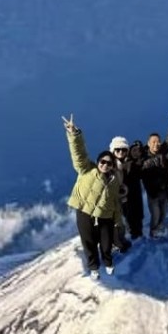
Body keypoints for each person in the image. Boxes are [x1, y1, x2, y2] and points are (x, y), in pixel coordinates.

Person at [63, 114, 123, 279]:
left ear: (112, 166)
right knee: (88, 242)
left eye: (108, 163)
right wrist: (74, 134)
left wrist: (118, 222)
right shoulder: (87, 169)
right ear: (97, 162)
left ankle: (108, 262)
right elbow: (79, 154)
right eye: (102, 162)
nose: (104, 165)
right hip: (84, 211)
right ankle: (93, 266)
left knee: (106, 243)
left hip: (104, 216)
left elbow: (116, 203)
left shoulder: (114, 181)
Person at [142, 112, 168, 238]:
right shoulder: (143, 155)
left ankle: (159, 228)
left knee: (163, 212)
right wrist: (153, 161)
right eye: (153, 142)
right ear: (148, 143)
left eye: (158, 141)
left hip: (164, 190)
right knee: (156, 213)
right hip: (152, 193)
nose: (156, 144)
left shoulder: (162, 150)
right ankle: (153, 232)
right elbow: (140, 166)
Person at [112, 136, 145, 241]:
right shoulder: (109, 164)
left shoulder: (130, 162)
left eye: (123, 149)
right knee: (121, 221)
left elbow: (140, 166)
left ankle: (136, 236)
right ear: (113, 150)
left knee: (136, 217)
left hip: (133, 195)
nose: (121, 152)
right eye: (117, 149)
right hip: (117, 198)